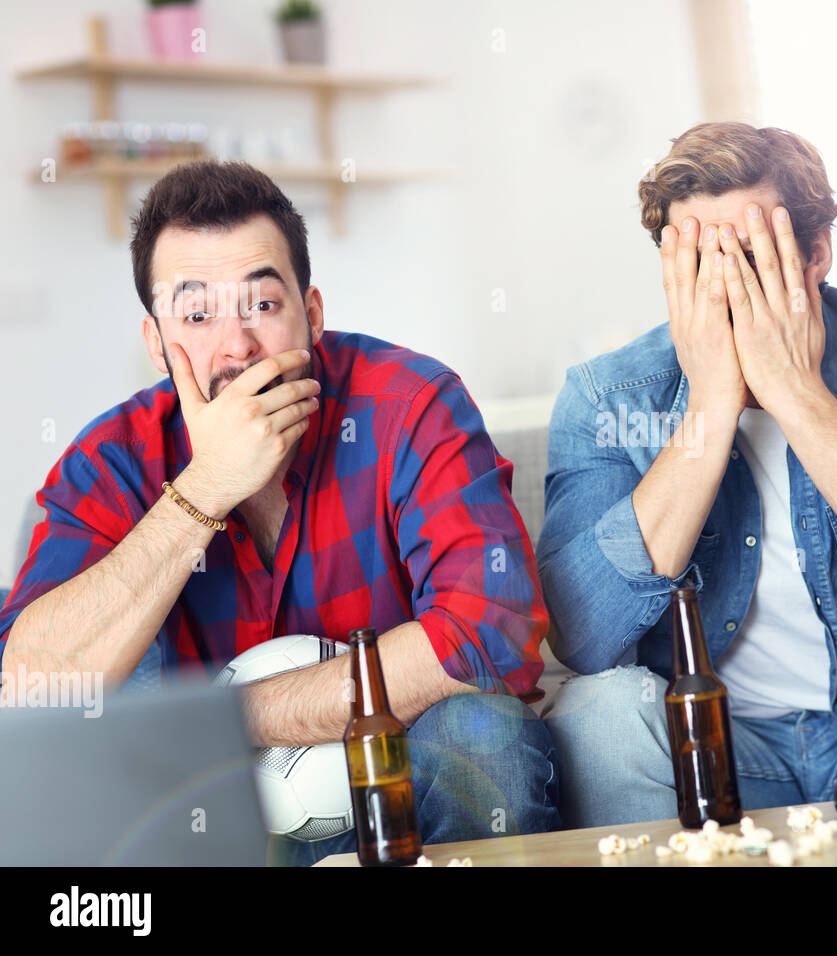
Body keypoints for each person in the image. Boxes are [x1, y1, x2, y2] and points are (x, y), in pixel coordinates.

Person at [0, 161, 561, 861]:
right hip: (205, 809)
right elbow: (31, 687)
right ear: (155, 342)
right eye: (197, 314)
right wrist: (204, 489)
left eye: (263, 306)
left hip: (397, 779)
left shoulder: (410, 405)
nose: (237, 347)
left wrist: (229, 716)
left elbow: (491, 635)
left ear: (313, 313)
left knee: (487, 733)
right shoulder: (111, 460)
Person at [539, 122, 837, 827]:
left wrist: (798, 394)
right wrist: (709, 407)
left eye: (750, 255)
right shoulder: (606, 395)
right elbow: (581, 639)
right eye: (702, 260)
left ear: (816, 254)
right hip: (714, 754)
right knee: (599, 710)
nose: (726, 286)